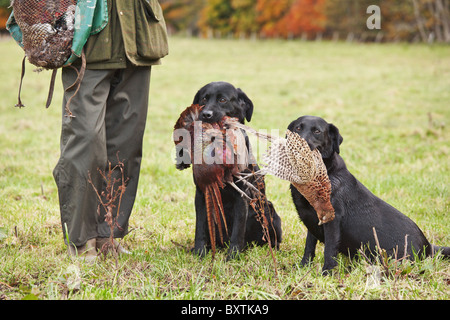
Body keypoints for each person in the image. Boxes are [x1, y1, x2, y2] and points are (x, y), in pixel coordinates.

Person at [10, 0, 168, 262]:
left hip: (136, 33)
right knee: (86, 140)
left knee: (126, 144)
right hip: (87, 38)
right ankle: (81, 240)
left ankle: (108, 235)